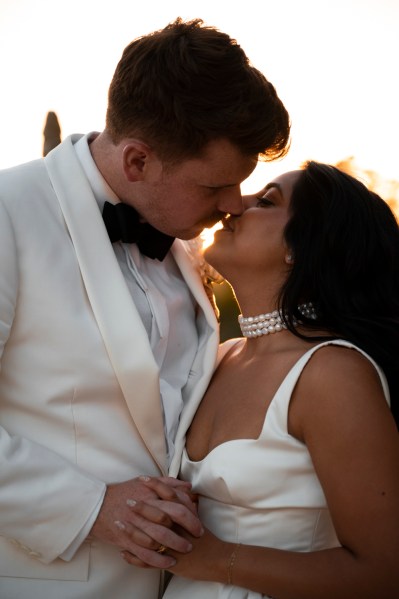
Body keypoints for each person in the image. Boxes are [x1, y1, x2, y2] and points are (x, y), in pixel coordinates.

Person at [0, 17, 290, 599]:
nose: (234, 205)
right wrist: (91, 506)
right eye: (214, 188)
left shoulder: (183, 240)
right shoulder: (9, 213)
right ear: (137, 161)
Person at [124, 161, 399, 598]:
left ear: (302, 247)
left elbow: (384, 573)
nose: (235, 204)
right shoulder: (219, 356)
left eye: (266, 200)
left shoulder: (332, 374)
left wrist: (213, 558)